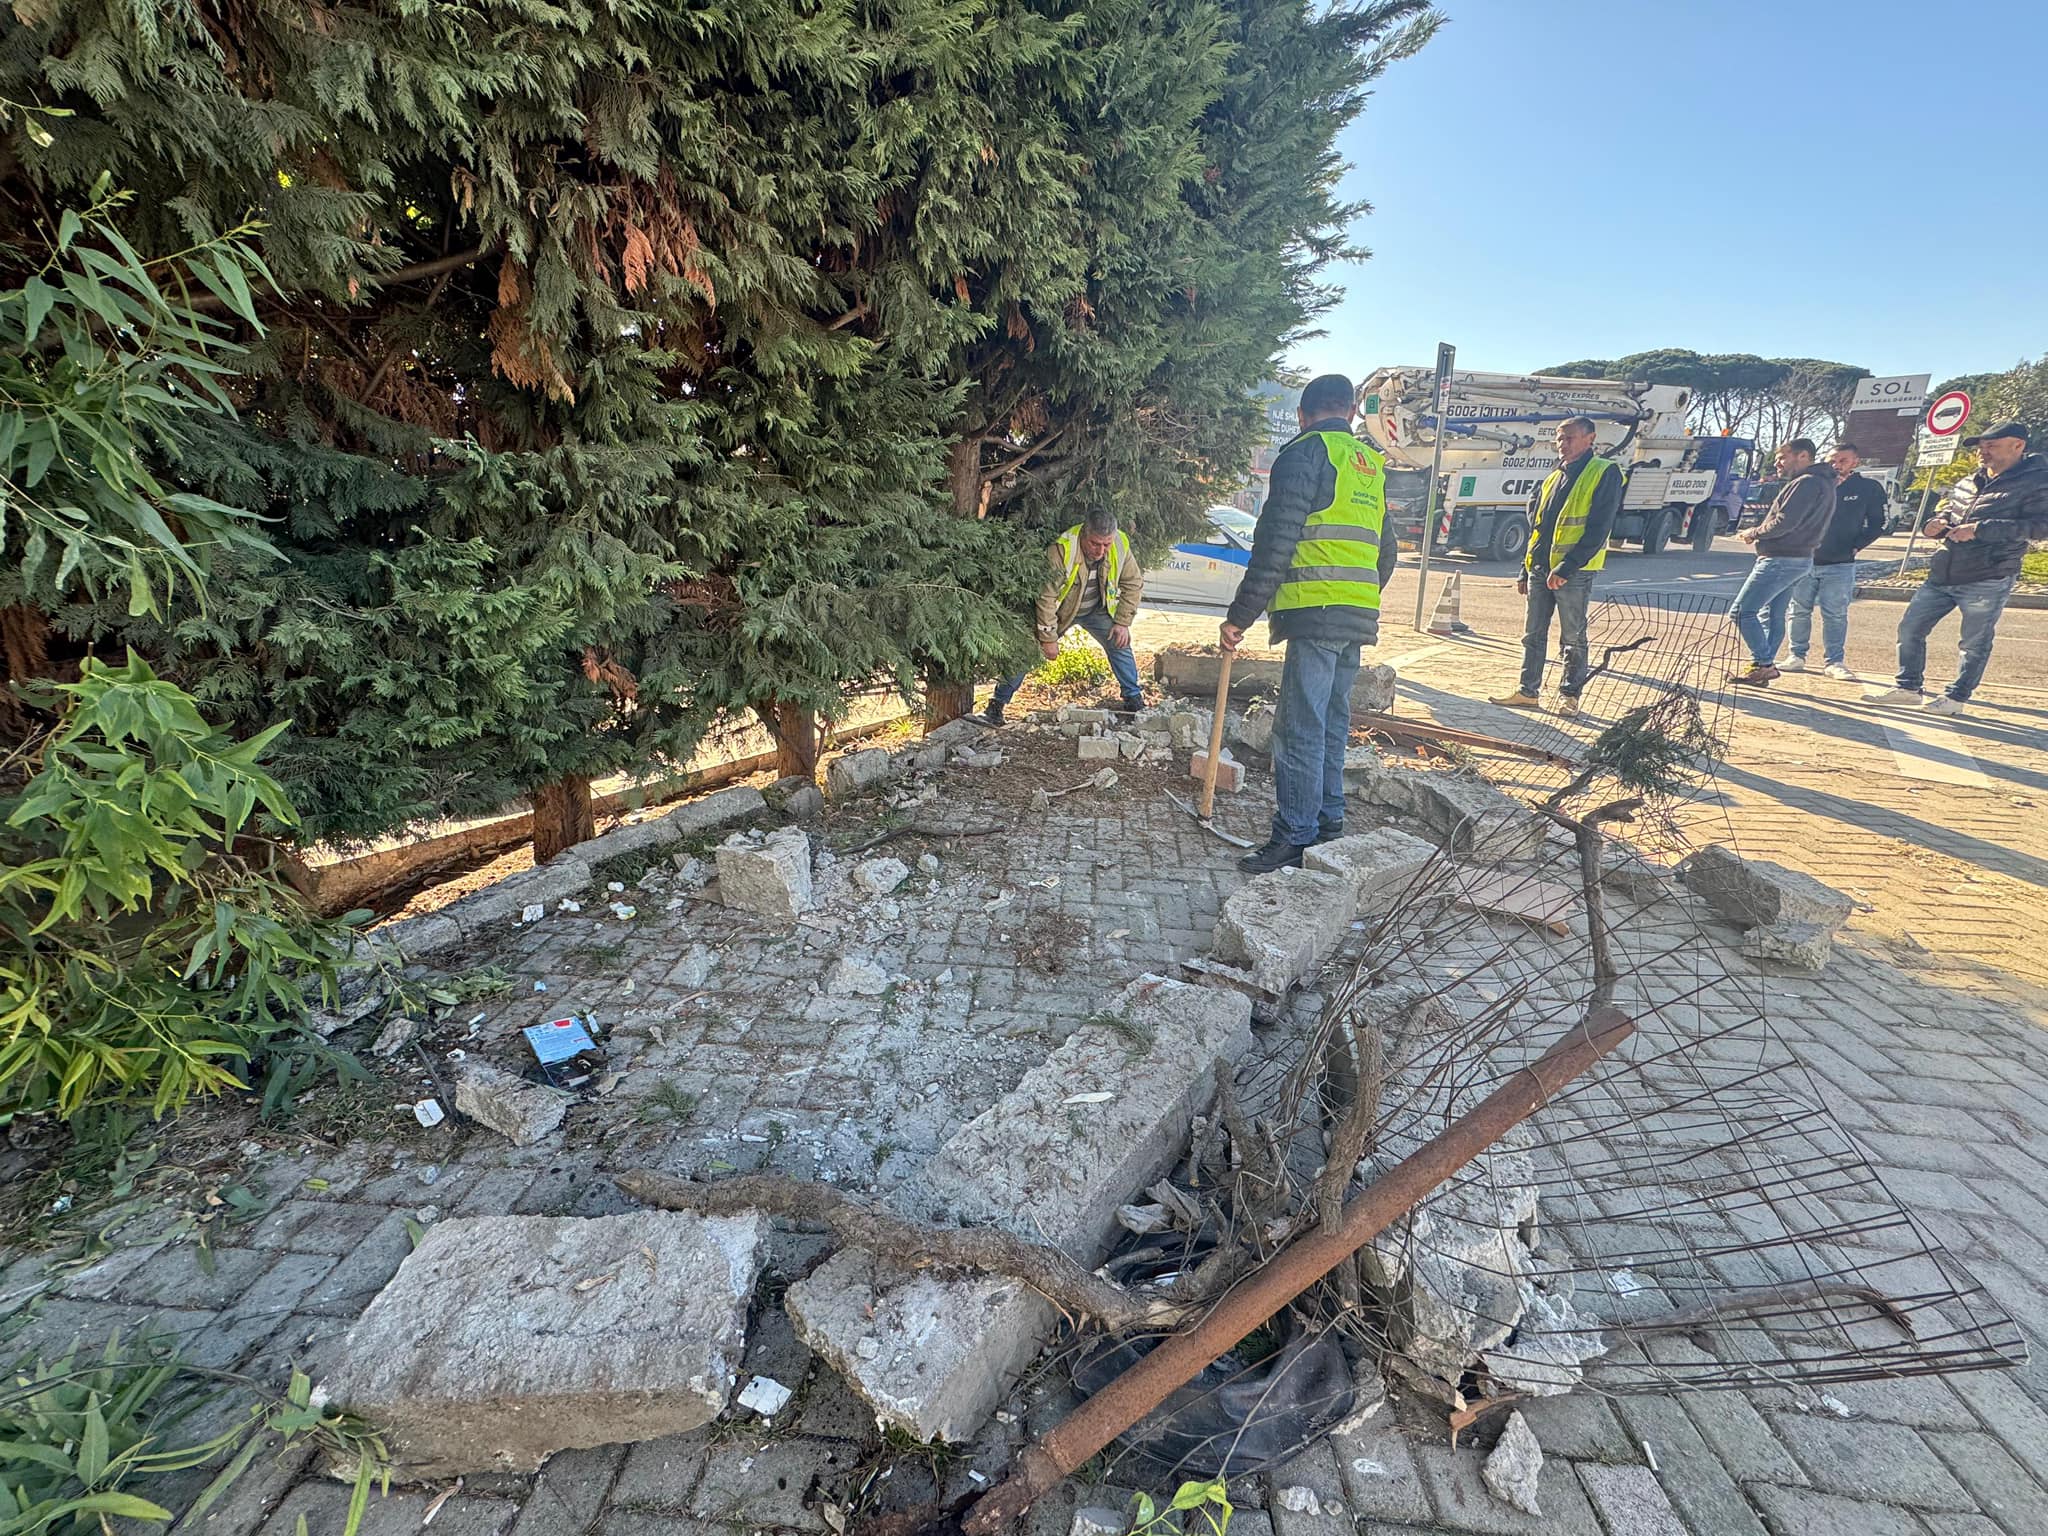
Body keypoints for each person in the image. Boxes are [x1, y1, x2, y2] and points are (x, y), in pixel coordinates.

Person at [1219, 373, 1399, 874]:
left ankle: (1293, 837)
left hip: (1316, 612)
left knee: (1299, 728)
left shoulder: (1304, 454)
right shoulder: (1368, 464)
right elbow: (1386, 553)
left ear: (1302, 415)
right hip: (1355, 616)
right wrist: (1357, 597)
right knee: (1332, 724)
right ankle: (1327, 824)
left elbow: (1275, 543)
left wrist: (1239, 617)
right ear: (1351, 412)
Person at [1864, 421, 2048, 717]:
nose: (1982, 452)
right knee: (1910, 628)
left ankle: (1955, 698)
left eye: (1991, 446)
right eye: (1981, 447)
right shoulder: (1968, 481)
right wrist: (1934, 524)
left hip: (1988, 574)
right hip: (1943, 571)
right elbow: (1948, 511)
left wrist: (1979, 529)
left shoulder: (2037, 481)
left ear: (2018, 446)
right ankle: (1908, 688)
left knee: (1974, 642)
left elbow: (2040, 527)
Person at [1488, 416, 1623, 718]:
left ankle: (1570, 696)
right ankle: (1528, 692)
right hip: (1540, 569)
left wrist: (1566, 567)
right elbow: (1539, 529)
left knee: (1573, 637)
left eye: (1569, 438)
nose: (1562, 444)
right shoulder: (1554, 476)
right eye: (1559, 438)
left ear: (1590, 438)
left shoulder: (1604, 472)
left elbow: (1599, 528)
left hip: (1571, 572)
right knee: (1533, 635)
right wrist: (1525, 569)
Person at [981, 508, 1144, 727]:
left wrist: (1122, 622)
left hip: (1097, 610)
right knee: (1028, 650)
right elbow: (1046, 597)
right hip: (1062, 612)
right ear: (1084, 533)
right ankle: (997, 705)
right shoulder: (1062, 549)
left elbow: (1133, 583)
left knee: (1120, 642)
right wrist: (1048, 637)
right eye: (1095, 544)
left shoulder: (1120, 544)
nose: (1101, 550)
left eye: (1106, 544)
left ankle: (1134, 700)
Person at [1727, 439, 1836, 686]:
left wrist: (1754, 532)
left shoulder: (1806, 483)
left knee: (1742, 612)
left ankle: (1764, 663)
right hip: (1798, 558)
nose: (1777, 463)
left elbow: (1785, 522)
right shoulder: (1822, 483)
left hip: (1781, 559)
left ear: (1803, 456)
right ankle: (1761, 668)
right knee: (1773, 614)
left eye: (1782, 457)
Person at [1781, 442, 1888, 679]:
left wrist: (1857, 545)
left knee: (1835, 614)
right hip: (1804, 559)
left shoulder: (1868, 488)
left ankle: (1834, 661)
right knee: (1798, 610)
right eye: (1832, 460)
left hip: (1840, 563)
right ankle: (1796, 655)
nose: (1836, 465)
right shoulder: (1813, 483)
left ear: (1855, 462)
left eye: (1843, 461)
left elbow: (1879, 522)